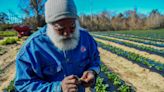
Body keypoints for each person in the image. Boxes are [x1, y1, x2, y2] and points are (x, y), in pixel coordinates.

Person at [14, 0, 100, 92]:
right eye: (60, 29)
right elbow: (23, 85)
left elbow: (95, 59)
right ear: (50, 25)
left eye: (72, 26)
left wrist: (92, 71)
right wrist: (58, 88)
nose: (67, 33)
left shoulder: (86, 39)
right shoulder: (31, 48)